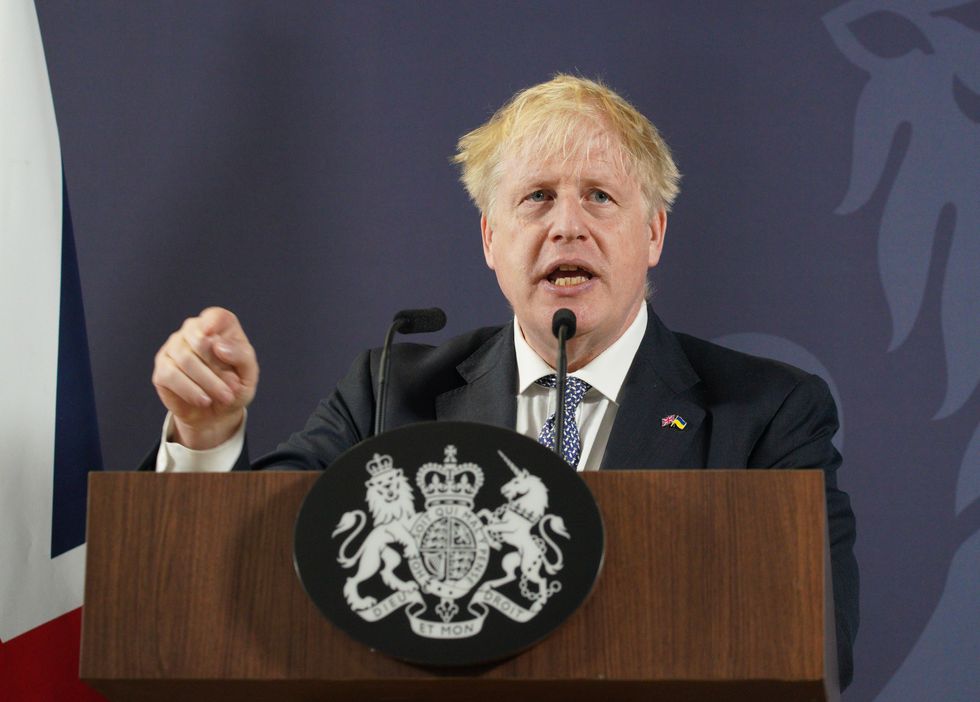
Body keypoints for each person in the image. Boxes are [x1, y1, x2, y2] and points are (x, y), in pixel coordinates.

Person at [146, 74, 858, 687]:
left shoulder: (767, 414)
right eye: (538, 197)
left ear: (654, 234)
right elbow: (255, 569)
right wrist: (206, 437)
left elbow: (818, 644)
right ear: (491, 239)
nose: (567, 227)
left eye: (601, 197)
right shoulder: (390, 390)